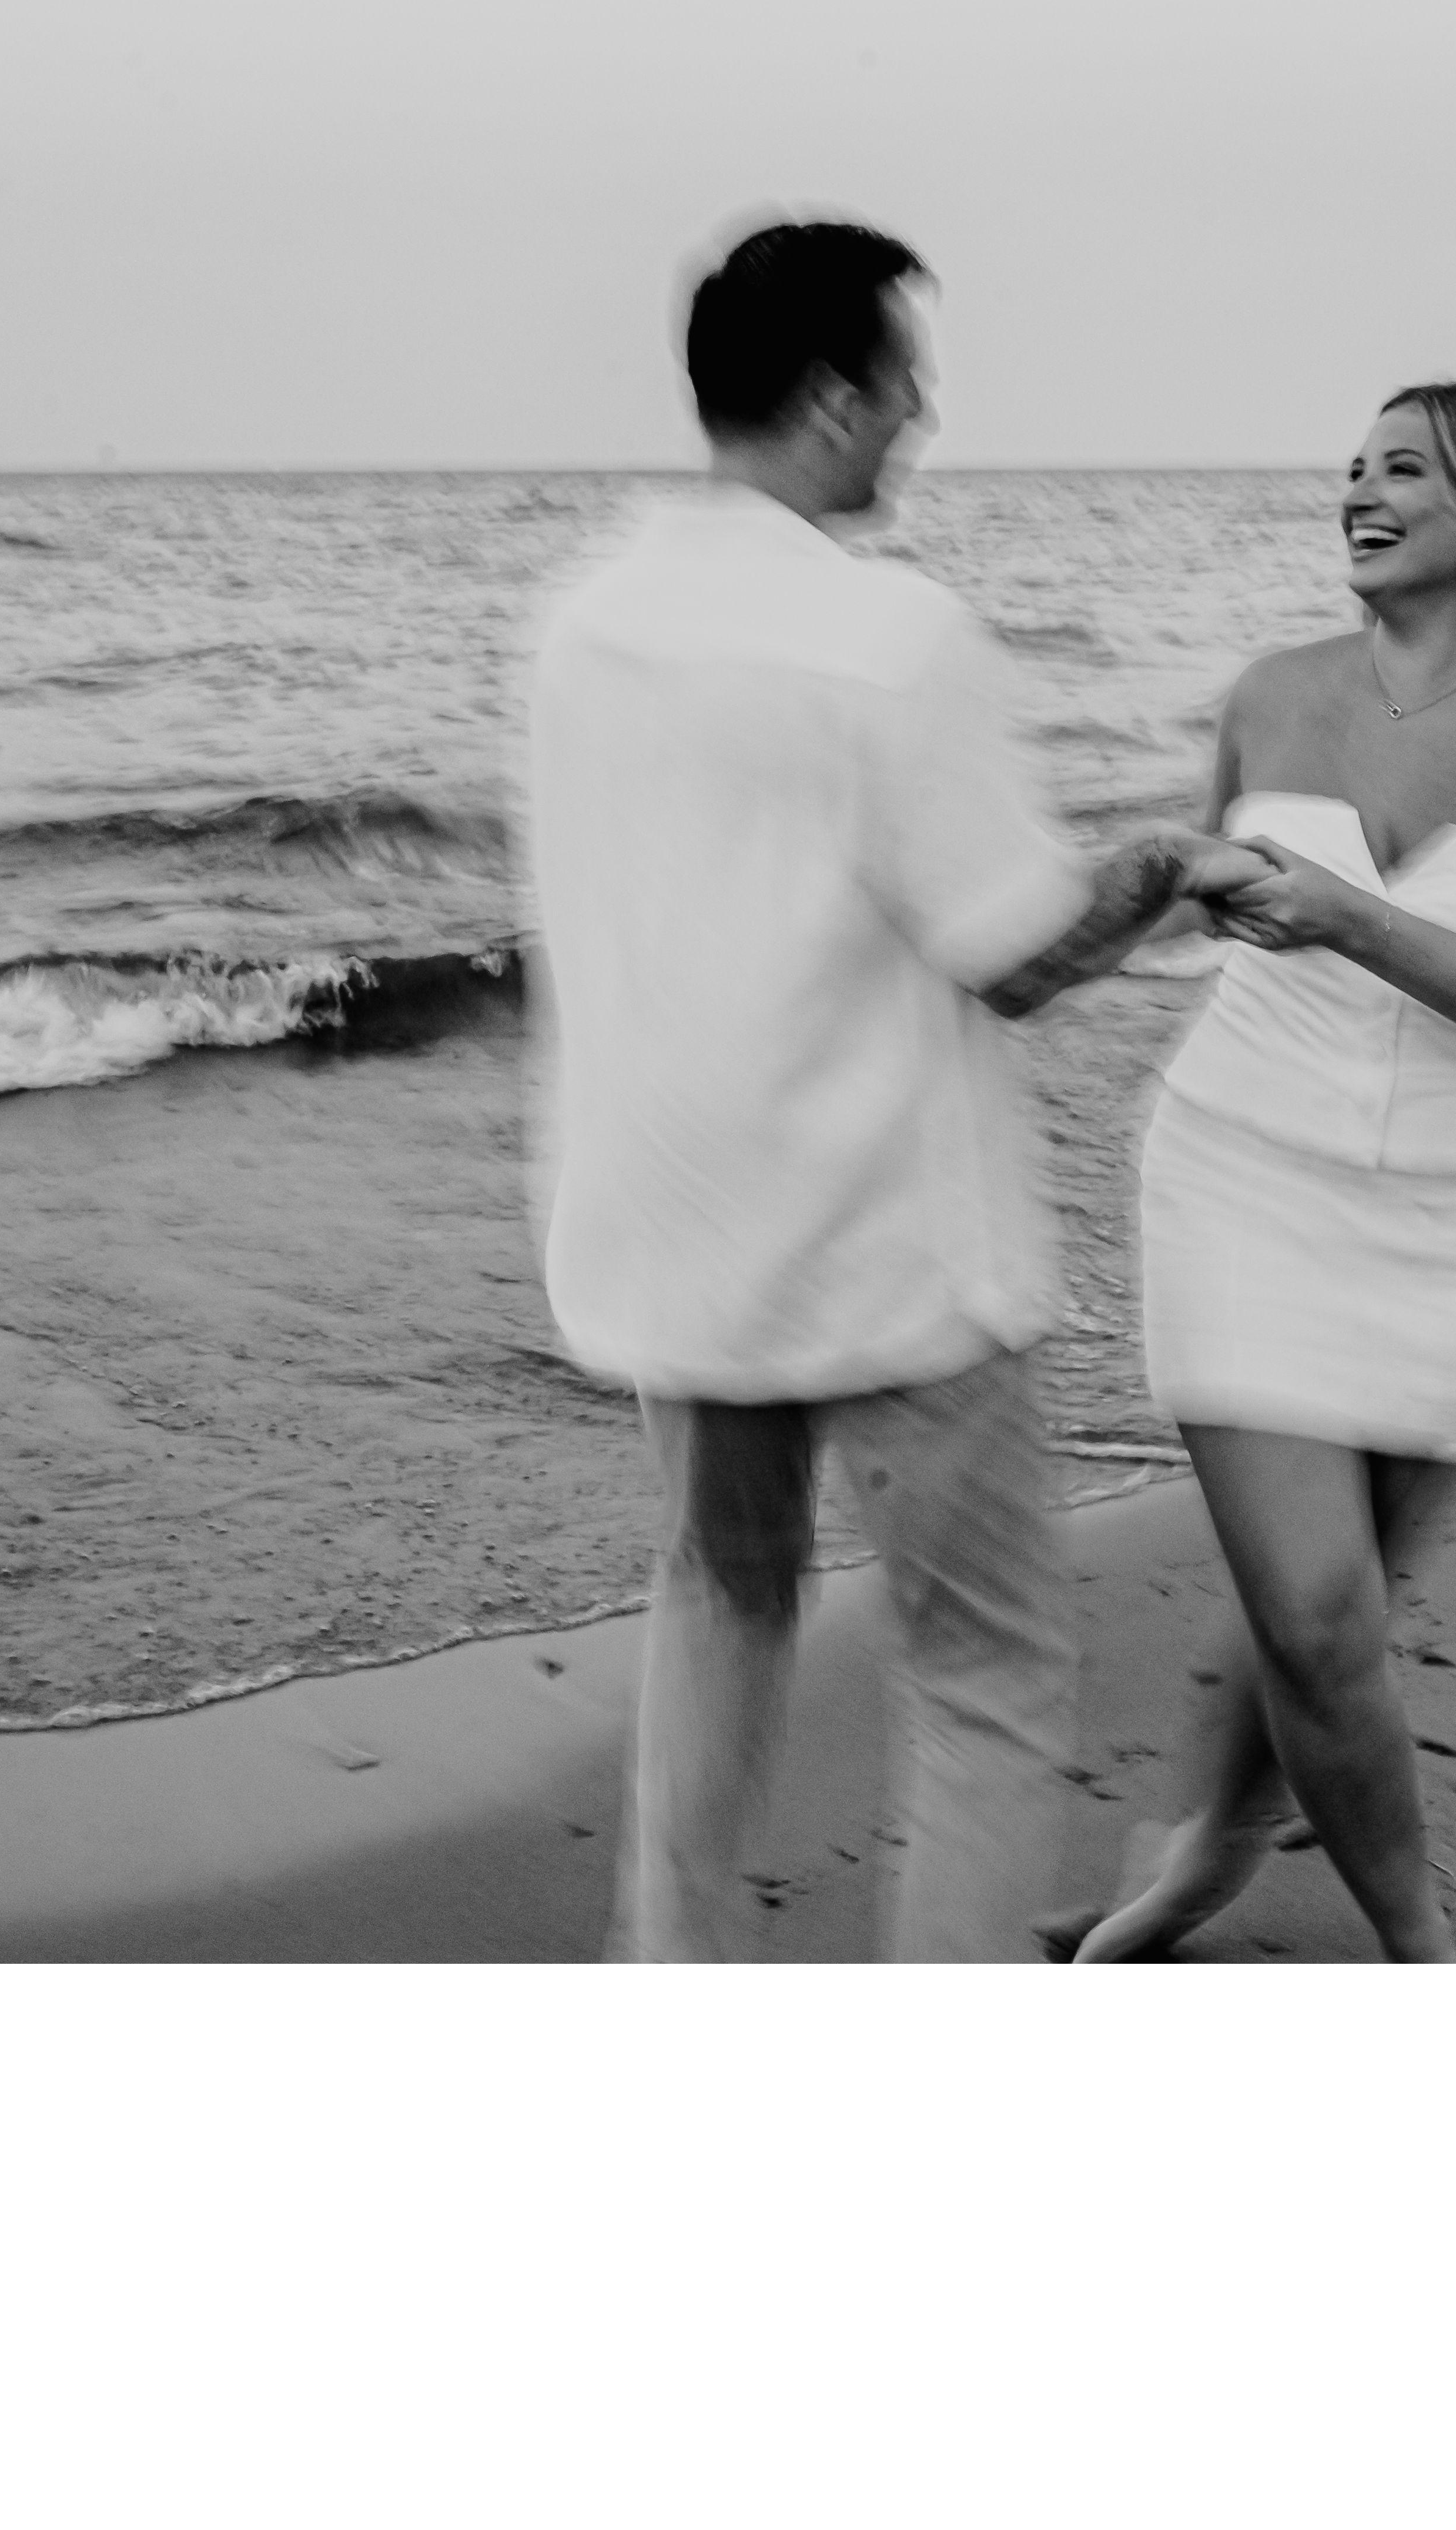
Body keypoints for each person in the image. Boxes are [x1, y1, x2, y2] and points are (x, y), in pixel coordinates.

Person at [526, 217, 1266, 1963]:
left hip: (670, 1223)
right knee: (987, 1667)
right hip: (880, 1244)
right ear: (835, 396)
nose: (924, 419)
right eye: (908, 384)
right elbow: (1013, 949)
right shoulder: (890, 633)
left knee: (722, 1596)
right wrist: (1165, 870)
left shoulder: (582, 624)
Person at [1068, 382, 1456, 1963]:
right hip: (1239, 1173)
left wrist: (1348, 917)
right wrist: (1139, 900)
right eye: (1352, 469)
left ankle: (1193, 1868)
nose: (1360, 492)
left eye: (1403, 468)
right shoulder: (1269, 696)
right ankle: (1420, 1960)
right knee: (1319, 1616)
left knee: (1324, 1615)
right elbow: (1203, 908)